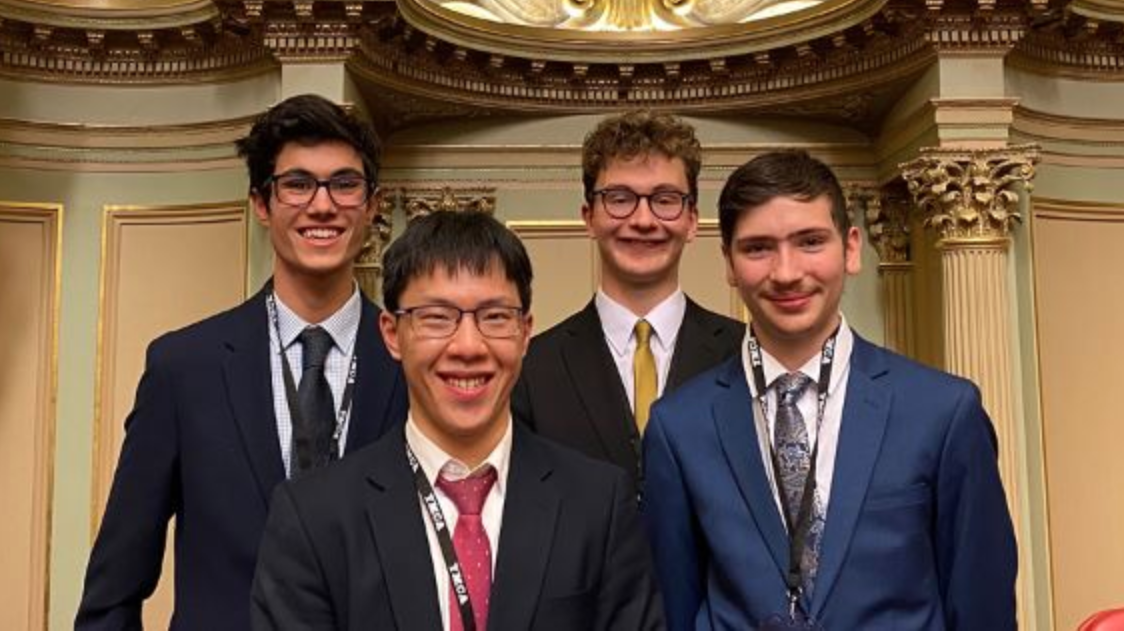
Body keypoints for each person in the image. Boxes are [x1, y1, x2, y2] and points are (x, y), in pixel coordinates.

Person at [642, 150, 1018, 630]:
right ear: (730, 264)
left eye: (810, 242)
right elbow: (673, 608)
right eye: (758, 248)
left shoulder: (943, 412)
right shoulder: (678, 427)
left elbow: (982, 609)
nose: (786, 272)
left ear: (852, 248)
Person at [75, 94, 409, 630]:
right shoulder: (184, 369)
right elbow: (112, 591)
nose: (322, 206)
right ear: (260, 202)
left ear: (372, 203)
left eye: (344, 184)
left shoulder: (413, 363)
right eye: (297, 184)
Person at [250, 210, 664, 630]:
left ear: (525, 333)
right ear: (393, 334)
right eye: (437, 317)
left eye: (495, 317)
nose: (468, 346)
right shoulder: (314, 517)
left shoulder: (598, 504)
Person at [512, 110, 743, 491]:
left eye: (665, 200)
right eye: (620, 199)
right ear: (589, 217)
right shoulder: (531, 368)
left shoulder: (746, 352)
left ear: (691, 221)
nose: (642, 219)